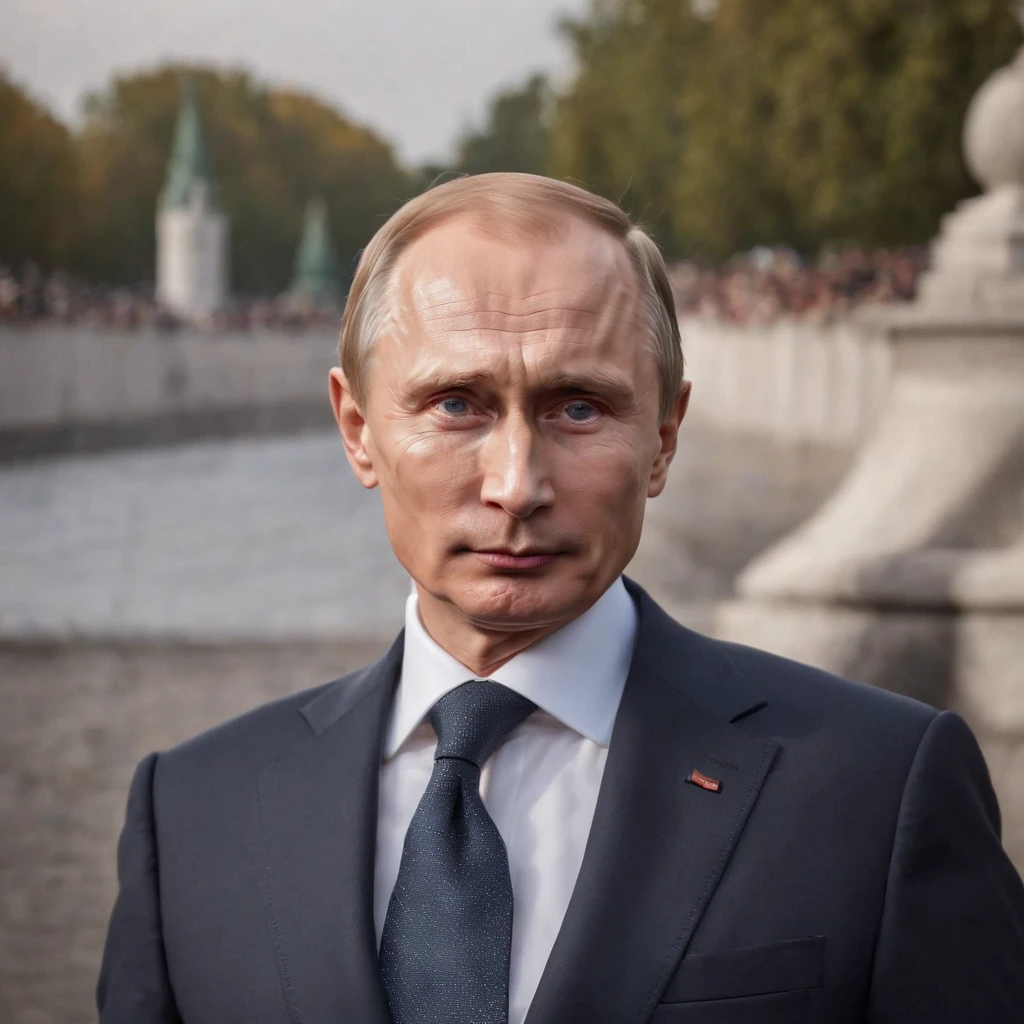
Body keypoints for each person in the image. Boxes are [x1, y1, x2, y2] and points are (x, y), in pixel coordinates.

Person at [97, 173, 1024, 1024]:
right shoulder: (188, 816)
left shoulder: (877, 786)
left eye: (578, 407)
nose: (515, 484)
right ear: (358, 429)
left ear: (664, 437)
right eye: (457, 404)